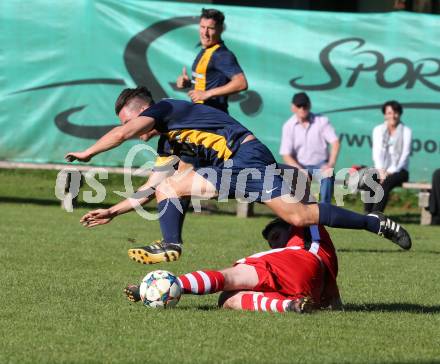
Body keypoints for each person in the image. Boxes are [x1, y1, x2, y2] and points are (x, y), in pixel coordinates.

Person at [65, 87, 412, 265]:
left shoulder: (166, 109)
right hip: (244, 161)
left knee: (175, 186)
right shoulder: (170, 141)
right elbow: (153, 186)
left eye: (128, 119)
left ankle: (171, 244)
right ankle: (375, 223)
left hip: (245, 155)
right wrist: (113, 210)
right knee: (298, 215)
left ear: (143, 111)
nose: (128, 127)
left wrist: (89, 152)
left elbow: (123, 135)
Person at [124, 219, 342, 313]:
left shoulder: (303, 222)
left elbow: (300, 194)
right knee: (228, 300)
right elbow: (334, 303)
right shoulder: (325, 254)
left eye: (276, 236)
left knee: (230, 277)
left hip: (299, 261)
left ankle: (167, 285)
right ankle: (287, 306)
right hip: (309, 288)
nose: (276, 244)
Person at [176, 8, 248, 113]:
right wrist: (188, 83)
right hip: (200, 113)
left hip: (212, 117)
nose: (205, 32)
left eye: (210, 28)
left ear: (220, 29)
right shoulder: (206, 50)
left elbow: (241, 83)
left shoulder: (222, 55)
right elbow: (208, 83)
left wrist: (207, 93)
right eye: (202, 27)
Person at [280, 92, 340, 204]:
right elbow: (286, 155)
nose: (302, 109)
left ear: (310, 105)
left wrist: (330, 164)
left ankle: (323, 213)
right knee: (301, 194)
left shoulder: (322, 121)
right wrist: (300, 170)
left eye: (305, 106)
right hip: (300, 165)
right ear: (293, 107)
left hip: (321, 164)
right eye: (299, 106)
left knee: (327, 174)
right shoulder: (288, 126)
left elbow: (335, 142)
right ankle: (305, 216)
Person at [364, 100, 412, 213]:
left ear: (399, 114)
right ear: (385, 115)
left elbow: (405, 154)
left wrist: (391, 171)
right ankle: (367, 213)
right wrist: (381, 171)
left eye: (396, 113)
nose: (393, 116)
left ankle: (376, 215)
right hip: (381, 169)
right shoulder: (378, 130)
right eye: (389, 113)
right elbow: (376, 152)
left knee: (386, 183)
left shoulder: (406, 131)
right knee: (370, 178)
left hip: (400, 171)